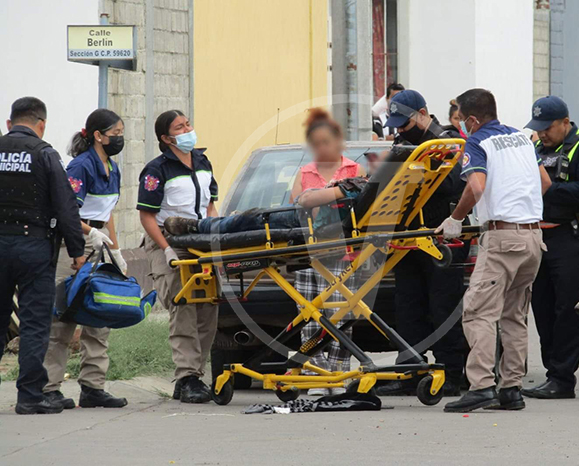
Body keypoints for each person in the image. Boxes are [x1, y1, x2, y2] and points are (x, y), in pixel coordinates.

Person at [437, 89, 549, 413]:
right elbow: (544, 182)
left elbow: (476, 187)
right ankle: (511, 389)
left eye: (461, 119)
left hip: (502, 239)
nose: (461, 125)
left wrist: (456, 219)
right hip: (532, 237)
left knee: (478, 312)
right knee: (514, 315)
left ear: (472, 119)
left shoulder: (477, 142)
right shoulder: (522, 139)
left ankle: (482, 386)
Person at [375, 89, 468, 397]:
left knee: (444, 307)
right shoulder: (403, 144)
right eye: (396, 125)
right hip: (406, 237)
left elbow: (454, 182)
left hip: (442, 237)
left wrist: (415, 172)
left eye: (404, 123)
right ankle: (409, 371)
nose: (400, 130)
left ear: (423, 114)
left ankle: (451, 373)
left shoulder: (447, 141)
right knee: (407, 307)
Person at [0, 97, 86, 414]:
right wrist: (77, 251)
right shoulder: (45, 153)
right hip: (34, 248)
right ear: (42, 125)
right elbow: (66, 206)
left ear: (9, 123)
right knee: (35, 323)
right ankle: (29, 396)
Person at [42, 109, 128, 410]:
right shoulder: (81, 166)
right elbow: (67, 211)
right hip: (75, 242)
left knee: (100, 317)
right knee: (62, 320)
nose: (119, 138)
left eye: (121, 133)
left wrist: (116, 251)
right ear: (98, 136)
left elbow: (108, 213)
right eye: (115, 133)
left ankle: (93, 387)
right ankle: (48, 387)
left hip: (101, 244)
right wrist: (91, 233)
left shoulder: (112, 168)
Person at [523, 96, 579, 399]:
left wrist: (549, 189)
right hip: (539, 237)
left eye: (547, 128)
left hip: (571, 237)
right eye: (538, 128)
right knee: (542, 307)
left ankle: (562, 378)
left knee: (568, 308)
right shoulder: (536, 150)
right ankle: (552, 372)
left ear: (564, 122)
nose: (542, 134)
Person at [138, 110, 219, 403]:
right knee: (183, 305)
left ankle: (194, 375)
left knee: (209, 306)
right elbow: (147, 215)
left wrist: (216, 233)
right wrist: (166, 249)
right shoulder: (156, 169)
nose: (187, 130)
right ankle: (186, 376)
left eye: (187, 124)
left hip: (201, 239)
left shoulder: (202, 161)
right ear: (166, 138)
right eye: (179, 128)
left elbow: (210, 205)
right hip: (169, 239)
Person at [288, 108, 365, 396]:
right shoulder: (304, 173)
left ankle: (339, 374)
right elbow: (295, 207)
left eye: (327, 141)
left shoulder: (355, 171)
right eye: (316, 143)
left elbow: (364, 209)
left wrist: (320, 198)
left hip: (343, 255)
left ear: (338, 142)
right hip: (308, 255)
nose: (322, 147)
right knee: (310, 316)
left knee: (340, 316)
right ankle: (316, 375)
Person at [163, 176, 368, 236]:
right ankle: (230, 220)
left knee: (250, 218)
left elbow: (306, 201)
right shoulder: (367, 193)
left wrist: (317, 193)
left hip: (300, 220)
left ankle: (198, 227)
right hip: (306, 219)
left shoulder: (354, 189)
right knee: (247, 219)